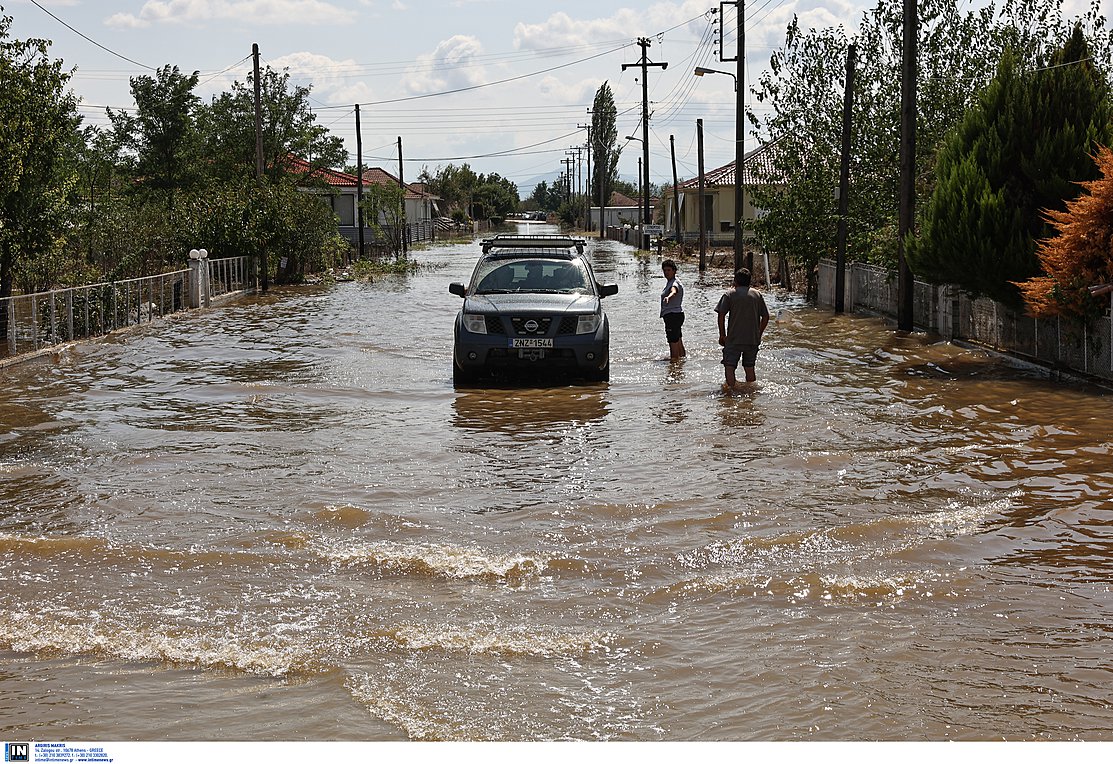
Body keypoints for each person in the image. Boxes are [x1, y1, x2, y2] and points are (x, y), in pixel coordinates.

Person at [715, 268, 770, 388]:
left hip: (734, 339)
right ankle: (751, 393)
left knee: (729, 367)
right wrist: (758, 334)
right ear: (749, 281)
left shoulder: (729, 294)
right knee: (749, 368)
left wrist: (722, 335)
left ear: (735, 280)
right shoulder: (757, 295)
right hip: (752, 339)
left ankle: (731, 393)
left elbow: (721, 315)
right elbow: (766, 317)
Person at [660, 259, 686, 361]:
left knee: (673, 342)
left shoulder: (674, 283)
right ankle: (682, 363)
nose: (666, 272)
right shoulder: (671, 282)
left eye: (669, 270)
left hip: (672, 316)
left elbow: (674, 291)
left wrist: (668, 297)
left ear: (674, 271)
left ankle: (674, 364)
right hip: (677, 315)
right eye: (665, 270)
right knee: (678, 339)